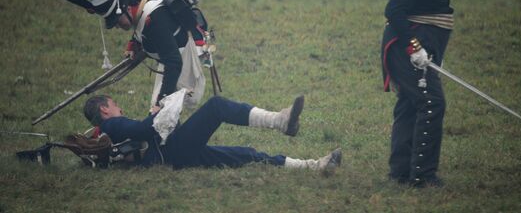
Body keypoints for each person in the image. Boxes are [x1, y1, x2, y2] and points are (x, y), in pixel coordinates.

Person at [381, 0, 458, 187]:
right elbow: (394, 12)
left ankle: (401, 172)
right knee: (431, 102)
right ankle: (422, 176)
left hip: (419, 50)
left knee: (410, 106)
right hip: (409, 51)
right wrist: (415, 48)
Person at [83, 94, 342, 172]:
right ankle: (280, 122)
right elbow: (143, 129)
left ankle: (313, 166)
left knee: (245, 155)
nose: (119, 106)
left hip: (174, 156)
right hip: (173, 152)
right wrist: (158, 112)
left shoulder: (105, 131)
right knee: (216, 106)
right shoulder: (111, 125)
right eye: (114, 104)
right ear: (105, 109)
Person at [89, 0, 206, 110]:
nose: (117, 26)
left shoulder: (155, 20)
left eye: (117, 20)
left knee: (164, 110)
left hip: (184, 55)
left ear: (126, 8)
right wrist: (133, 44)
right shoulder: (138, 5)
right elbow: (140, 26)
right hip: (170, 55)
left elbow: (174, 62)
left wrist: (161, 101)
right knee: (161, 114)